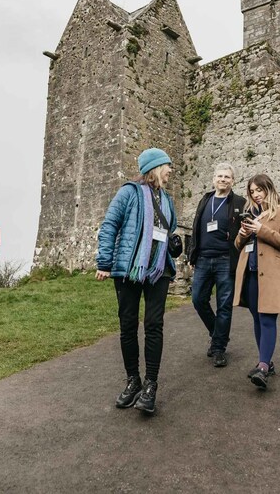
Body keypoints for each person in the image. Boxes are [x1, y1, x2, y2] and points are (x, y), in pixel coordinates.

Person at [96, 148, 177, 415]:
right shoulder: (128, 193)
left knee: (154, 325)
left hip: (159, 270)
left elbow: (170, 230)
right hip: (128, 269)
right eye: (167, 166)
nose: (170, 171)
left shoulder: (167, 199)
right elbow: (109, 225)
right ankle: (133, 381)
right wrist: (104, 263)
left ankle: (151, 385)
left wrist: (173, 245)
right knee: (128, 325)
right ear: (154, 167)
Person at [233, 174, 280, 389]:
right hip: (251, 274)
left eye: (259, 190)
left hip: (272, 275)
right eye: (252, 191)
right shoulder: (252, 215)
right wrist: (242, 234)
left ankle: (262, 366)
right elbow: (237, 245)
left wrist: (262, 230)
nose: (256, 195)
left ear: (269, 188)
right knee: (257, 318)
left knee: (267, 318)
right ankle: (266, 362)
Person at [189, 163, 247, 368]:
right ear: (213, 179)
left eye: (227, 177)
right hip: (203, 259)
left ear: (233, 181)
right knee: (198, 299)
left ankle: (219, 348)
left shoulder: (240, 202)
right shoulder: (205, 200)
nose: (223, 180)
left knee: (224, 306)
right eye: (220, 176)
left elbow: (246, 230)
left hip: (225, 260)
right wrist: (192, 254)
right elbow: (196, 228)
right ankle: (217, 335)